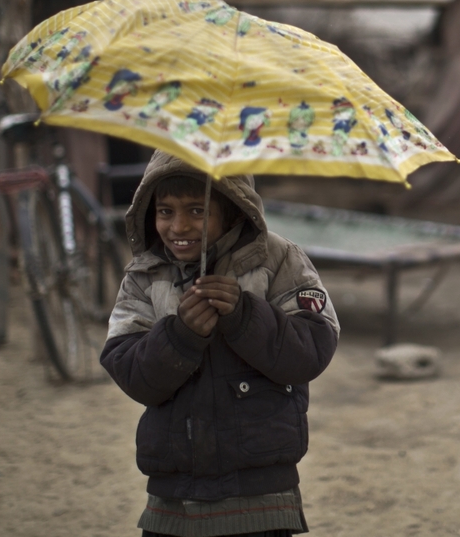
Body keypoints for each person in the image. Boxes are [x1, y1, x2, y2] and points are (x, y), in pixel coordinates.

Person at [101, 150, 340, 537]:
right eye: (165, 211)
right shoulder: (145, 275)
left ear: (233, 209)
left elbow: (312, 349)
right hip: (174, 493)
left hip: (261, 491)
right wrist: (181, 336)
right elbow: (130, 372)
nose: (178, 226)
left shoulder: (278, 260)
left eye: (197, 210)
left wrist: (245, 316)